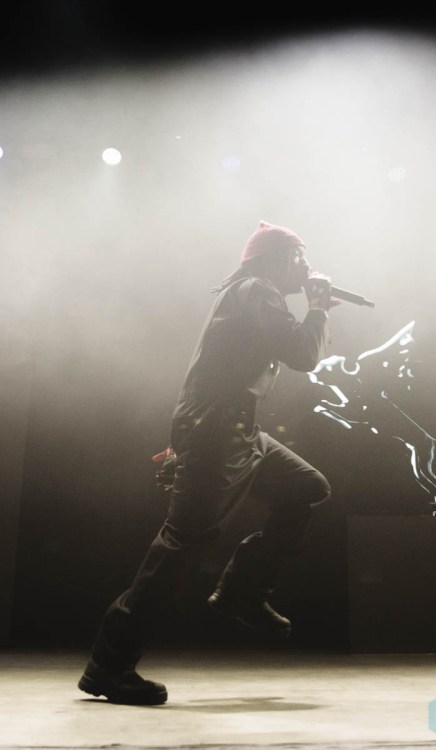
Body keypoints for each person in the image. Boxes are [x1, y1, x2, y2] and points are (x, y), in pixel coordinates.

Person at [78, 219, 339, 705]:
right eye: (300, 257)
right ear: (276, 259)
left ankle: (242, 591)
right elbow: (304, 354)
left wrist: (185, 439)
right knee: (181, 545)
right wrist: (319, 308)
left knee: (307, 486)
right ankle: (108, 668)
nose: (307, 267)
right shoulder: (257, 289)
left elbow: (211, 368)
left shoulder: (253, 294)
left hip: (235, 430)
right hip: (218, 432)